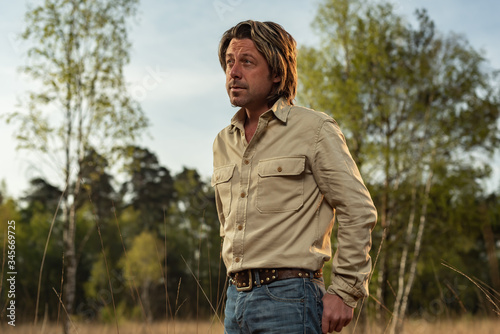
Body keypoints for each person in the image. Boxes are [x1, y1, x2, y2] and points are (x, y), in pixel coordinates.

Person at [211, 20, 377, 334]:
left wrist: (345, 291)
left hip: (291, 300)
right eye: (230, 62)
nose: (233, 72)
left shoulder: (314, 129)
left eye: (247, 62)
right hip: (235, 301)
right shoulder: (223, 142)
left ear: (277, 72)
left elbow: (358, 209)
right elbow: (227, 225)